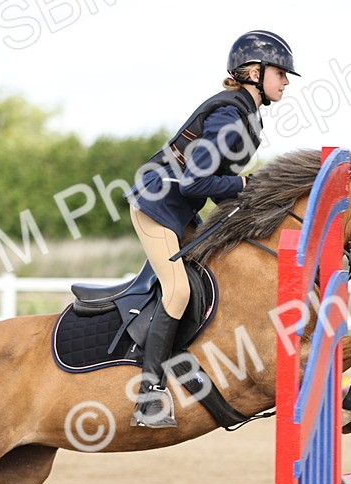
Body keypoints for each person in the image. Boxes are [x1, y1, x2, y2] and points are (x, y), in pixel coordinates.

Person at [124, 30, 300, 428]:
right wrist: (245, 184)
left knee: (215, 269)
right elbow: (195, 183)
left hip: (178, 209)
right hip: (156, 205)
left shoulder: (245, 113)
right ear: (253, 72)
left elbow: (210, 182)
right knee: (179, 290)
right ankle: (149, 394)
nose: (286, 81)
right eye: (281, 73)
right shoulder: (229, 115)